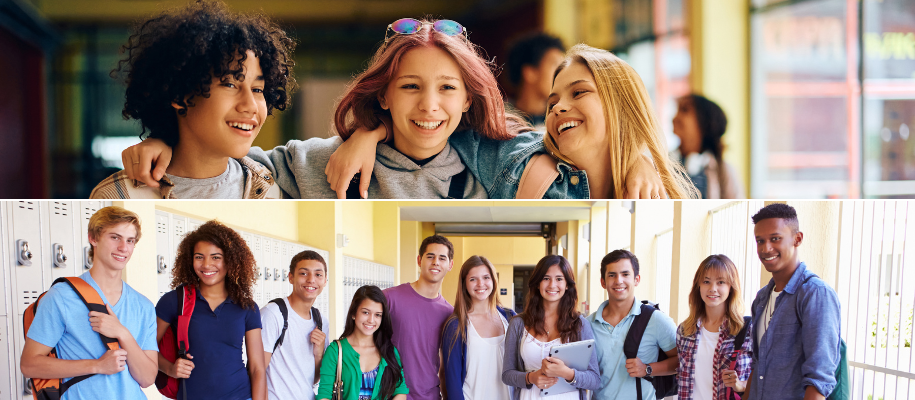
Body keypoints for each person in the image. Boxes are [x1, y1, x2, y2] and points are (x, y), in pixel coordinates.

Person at [123, 20, 665, 199]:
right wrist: (167, 140)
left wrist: (639, 151)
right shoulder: (320, 163)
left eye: (449, 89)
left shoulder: (498, 161)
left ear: (469, 98)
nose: (430, 107)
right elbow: (236, 170)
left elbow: (576, 155)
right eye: (409, 87)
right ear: (383, 93)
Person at [327, 43, 687, 199]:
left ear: (621, 105)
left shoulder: (660, 195)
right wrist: (369, 131)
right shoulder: (515, 158)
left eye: (579, 93)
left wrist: (641, 157)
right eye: (553, 101)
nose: (559, 108)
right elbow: (438, 126)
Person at [90, 0, 292, 199]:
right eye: (230, 84)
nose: (250, 105)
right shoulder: (116, 196)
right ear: (179, 93)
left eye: (258, 89)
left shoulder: (274, 187)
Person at [20, 206, 158, 399]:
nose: (123, 248)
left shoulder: (144, 306)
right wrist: (98, 365)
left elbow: (147, 378)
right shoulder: (61, 297)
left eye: (130, 241)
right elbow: (29, 364)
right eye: (115, 237)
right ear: (93, 238)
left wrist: (122, 332)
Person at [155, 220, 267, 400]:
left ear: (230, 260)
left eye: (216, 257)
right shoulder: (174, 301)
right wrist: (169, 368)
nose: (206, 265)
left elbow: (257, 368)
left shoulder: (247, 306)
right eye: (199, 257)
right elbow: (147, 348)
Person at [745, 204, 841, 400]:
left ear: (797, 239)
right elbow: (758, 364)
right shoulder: (761, 298)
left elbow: (819, 378)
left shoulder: (815, 293)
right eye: (760, 241)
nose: (766, 248)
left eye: (775, 239)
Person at [502, 255, 600, 400]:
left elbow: (594, 379)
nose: (552, 285)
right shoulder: (518, 323)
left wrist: (567, 373)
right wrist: (530, 377)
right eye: (546, 278)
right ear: (537, 283)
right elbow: (507, 374)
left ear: (567, 284)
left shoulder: (579, 324)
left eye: (559, 279)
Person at [587, 250, 678, 400]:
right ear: (603, 282)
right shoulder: (588, 325)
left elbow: (683, 361)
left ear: (637, 279)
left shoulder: (655, 320)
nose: (618, 281)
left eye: (625, 274)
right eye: (612, 275)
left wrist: (648, 369)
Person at [384, 235, 456, 400]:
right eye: (430, 256)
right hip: (390, 394)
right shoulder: (390, 298)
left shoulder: (449, 314)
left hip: (429, 396)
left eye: (442, 258)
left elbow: (445, 367)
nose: (435, 262)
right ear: (419, 260)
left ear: (450, 265)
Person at [676, 255, 753, 400]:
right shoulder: (685, 330)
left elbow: (766, 377)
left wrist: (741, 385)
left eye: (721, 282)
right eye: (706, 281)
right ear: (698, 285)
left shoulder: (746, 330)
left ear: (731, 287)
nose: (712, 289)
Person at [442, 255, 517, 400]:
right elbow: (452, 381)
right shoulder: (456, 326)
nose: (480, 284)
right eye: (473, 279)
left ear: (494, 280)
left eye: (486, 277)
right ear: (464, 284)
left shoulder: (510, 318)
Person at [317, 285, 408, 400]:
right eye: (366, 312)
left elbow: (400, 391)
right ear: (354, 313)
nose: (371, 320)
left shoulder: (389, 351)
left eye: (377, 315)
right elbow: (324, 395)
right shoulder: (336, 350)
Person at [261, 250, 330, 400]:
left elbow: (315, 379)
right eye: (304, 273)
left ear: (325, 281)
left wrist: (318, 353)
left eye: (318, 275)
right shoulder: (273, 314)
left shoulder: (321, 321)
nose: (311, 280)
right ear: (291, 277)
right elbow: (257, 371)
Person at [671, 94, 745, 199]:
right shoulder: (663, 163)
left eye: (684, 110)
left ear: (704, 122)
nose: (675, 118)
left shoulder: (723, 172)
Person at [505, 33, 566, 128]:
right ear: (530, 73)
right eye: (555, 65)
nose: (562, 73)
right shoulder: (499, 119)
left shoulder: (562, 117)